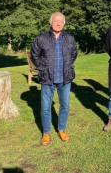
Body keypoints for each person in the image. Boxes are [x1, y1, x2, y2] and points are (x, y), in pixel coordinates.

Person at [31, 12, 77, 145]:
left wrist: (68, 65)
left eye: (61, 21)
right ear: (50, 22)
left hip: (65, 78)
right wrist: (43, 68)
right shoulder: (41, 38)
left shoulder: (70, 38)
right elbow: (35, 55)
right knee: (45, 107)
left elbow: (74, 54)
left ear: (64, 23)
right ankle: (46, 132)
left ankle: (62, 129)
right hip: (47, 78)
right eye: (56, 21)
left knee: (65, 106)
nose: (58, 23)